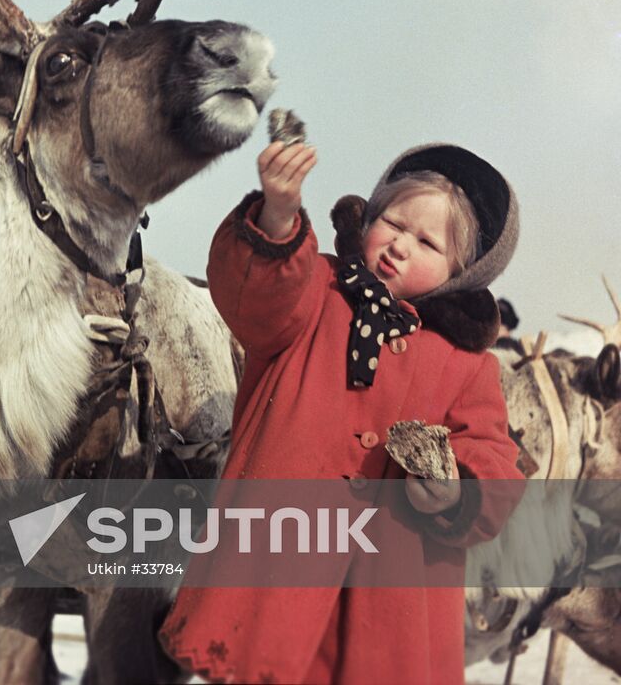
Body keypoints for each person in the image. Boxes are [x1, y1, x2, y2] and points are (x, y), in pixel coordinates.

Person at [159, 140, 525, 685]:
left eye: (426, 242)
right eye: (393, 222)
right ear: (369, 215)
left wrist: (456, 490)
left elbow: (496, 460)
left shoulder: (467, 366)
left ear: (462, 273)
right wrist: (278, 215)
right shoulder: (312, 290)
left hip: (388, 607)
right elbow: (254, 296)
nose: (399, 246)